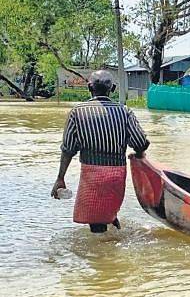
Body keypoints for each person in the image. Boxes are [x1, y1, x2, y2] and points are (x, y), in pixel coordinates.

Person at [51, 70, 150, 233]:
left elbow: (68, 149)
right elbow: (141, 143)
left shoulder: (77, 112)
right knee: (108, 214)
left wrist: (60, 178)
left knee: (97, 228)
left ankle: (103, 256)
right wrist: (138, 152)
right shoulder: (124, 112)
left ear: (89, 88)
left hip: (91, 175)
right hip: (117, 175)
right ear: (113, 88)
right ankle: (115, 243)